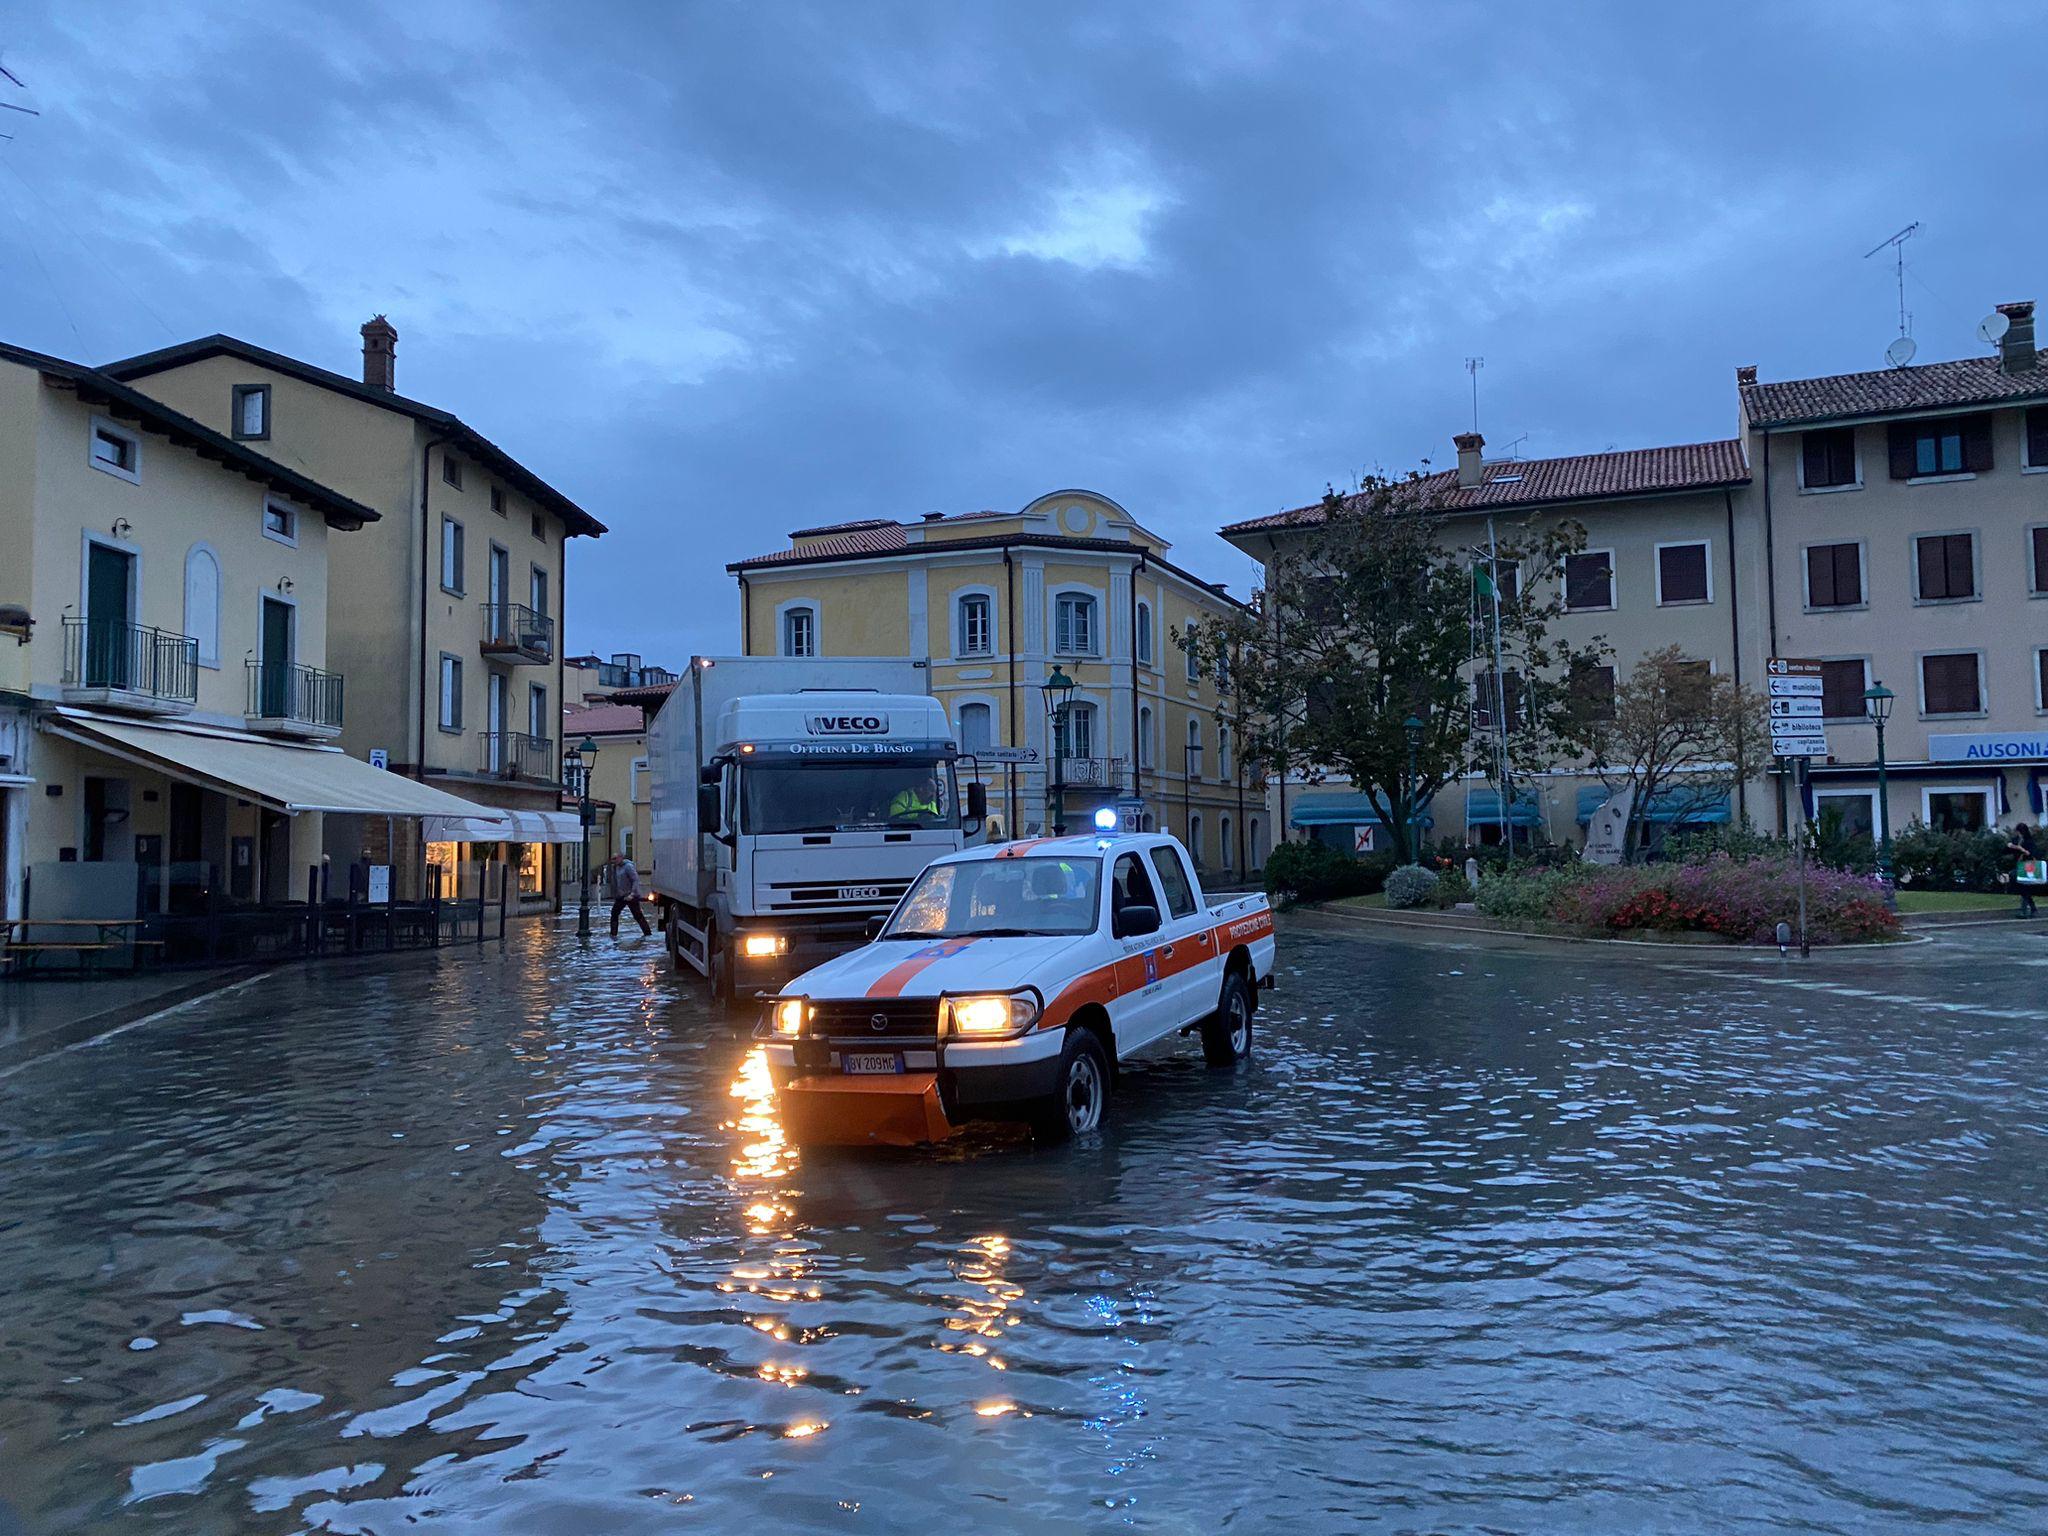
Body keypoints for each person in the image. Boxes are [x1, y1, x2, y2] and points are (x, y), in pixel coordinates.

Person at [607, 852, 652, 937]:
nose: (613, 861)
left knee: (638, 915)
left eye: (615, 858)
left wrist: (632, 894)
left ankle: (648, 933)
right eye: (612, 859)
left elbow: (635, 880)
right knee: (614, 913)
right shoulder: (616, 867)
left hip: (631, 896)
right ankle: (613, 934)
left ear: (620, 858)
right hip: (621, 896)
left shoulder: (628, 866)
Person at [2008, 823, 2040, 918]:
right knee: (2023, 888)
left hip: (2028, 867)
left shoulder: (2029, 841)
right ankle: (2032, 908)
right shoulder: (2017, 840)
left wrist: (2021, 849)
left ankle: (2024, 911)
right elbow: (2009, 846)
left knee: (2024, 887)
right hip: (2020, 866)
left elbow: (2031, 854)